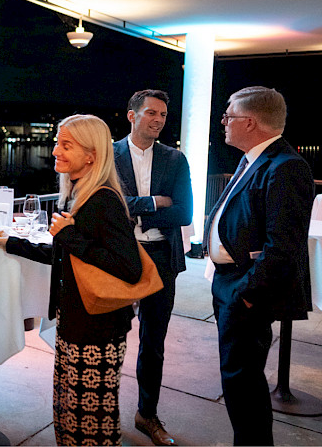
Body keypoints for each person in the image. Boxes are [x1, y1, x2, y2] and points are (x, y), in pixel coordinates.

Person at [0, 113, 143, 446]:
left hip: (97, 330)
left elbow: (129, 267)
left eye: (66, 145)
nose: (56, 151)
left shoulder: (103, 200)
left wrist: (70, 235)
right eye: (58, 142)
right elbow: (64, 256)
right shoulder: (78, 195)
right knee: (69, 415)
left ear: (91, 155)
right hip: (75, 322)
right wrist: (14, 243)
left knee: (91, 425)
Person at [204, 86, 313, 445]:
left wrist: (247, 295)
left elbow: (283, 248)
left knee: (244, 385)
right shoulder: (254, 158)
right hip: (229, 282)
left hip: (245, 290)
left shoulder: (286, 167)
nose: (223, 122)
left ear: (249, 122)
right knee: (238, 381)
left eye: (229, 116)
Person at [113, 89, 192, 446]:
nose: (158, 120)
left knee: (153, 342)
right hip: (119, 257)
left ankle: (147, 414)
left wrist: (137, 211)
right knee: (110, 338)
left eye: (162, 114)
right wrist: (153, 202)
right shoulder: (109, 154)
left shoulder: (175, 159)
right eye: (151, 113)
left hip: (161, 258)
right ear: (132, 115)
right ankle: (104, 410)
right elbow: (107, 205)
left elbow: (184, 212)